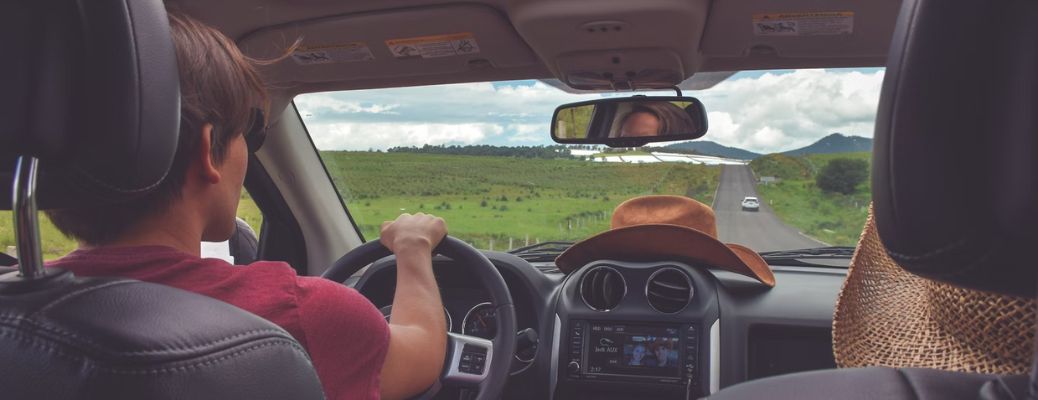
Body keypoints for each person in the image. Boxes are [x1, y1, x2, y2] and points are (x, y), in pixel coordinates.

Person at [43, 9, 445, 400]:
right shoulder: (297, 315)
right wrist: (412, 249)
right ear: (207, 149)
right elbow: (423, 352)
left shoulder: (18, 312)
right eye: (246, 135)